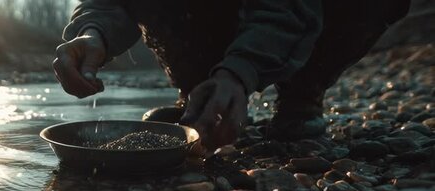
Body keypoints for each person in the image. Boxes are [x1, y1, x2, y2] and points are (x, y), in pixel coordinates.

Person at [53, 0, 410, 151]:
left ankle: (303, 94)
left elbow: (286, 9)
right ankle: (198, 94)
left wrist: (239, 71)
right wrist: (94, 33)